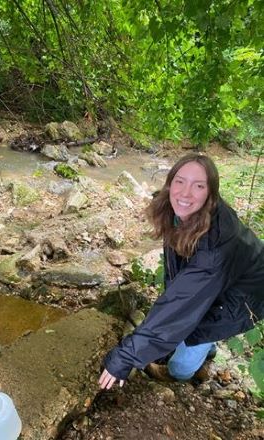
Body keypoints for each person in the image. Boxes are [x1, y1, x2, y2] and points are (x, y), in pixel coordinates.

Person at [99, 153, 264, 390]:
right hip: (222, 279)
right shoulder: (179, 212)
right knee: (191, 319)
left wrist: (124, 357)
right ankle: (206, 352)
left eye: (198, 186)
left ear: (211, 193)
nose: (185, 193)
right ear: (170, 183)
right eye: (180, 181)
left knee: (184, 357)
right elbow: (181, 285)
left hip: (246, 292)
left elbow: (182, 303)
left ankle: (184, 377)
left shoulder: (216, 248)